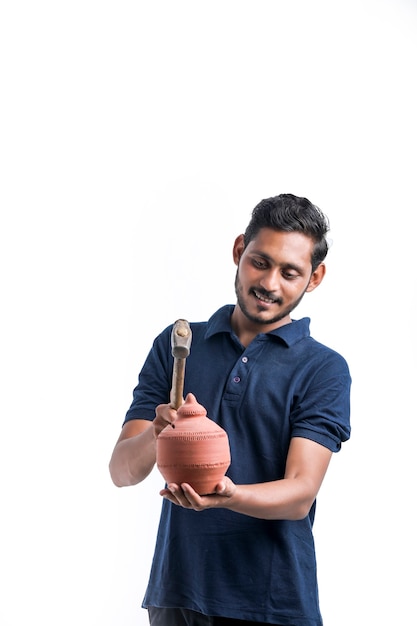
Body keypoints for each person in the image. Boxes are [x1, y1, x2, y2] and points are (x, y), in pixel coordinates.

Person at [109, 193, 351, 626]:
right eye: (261, 262)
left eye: (290, 272)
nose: (270, 284)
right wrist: (155, 433)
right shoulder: (178, 344)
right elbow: (122, 472)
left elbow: (300, 491)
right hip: (176, 596)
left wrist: (230, 497)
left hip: (273, 604)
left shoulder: (323, 368)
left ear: (314, 279)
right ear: (239, 251)